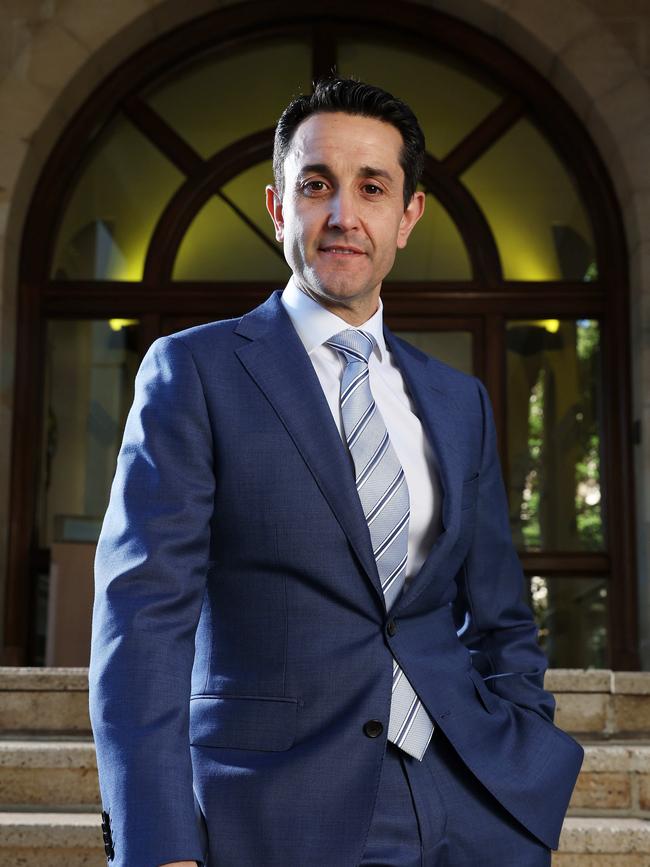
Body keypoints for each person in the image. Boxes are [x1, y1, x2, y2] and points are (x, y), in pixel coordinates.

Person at [89, 78, 583, 867]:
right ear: (279, 208)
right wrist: (157, 844)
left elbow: (501, 618)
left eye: (372, 187)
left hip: (469, 802)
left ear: (408, 215)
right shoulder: (194, 371)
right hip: (273, 809)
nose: (343, 215)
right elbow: (141, 621)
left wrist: (521, 744)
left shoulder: (460, 403)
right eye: (316, 185)